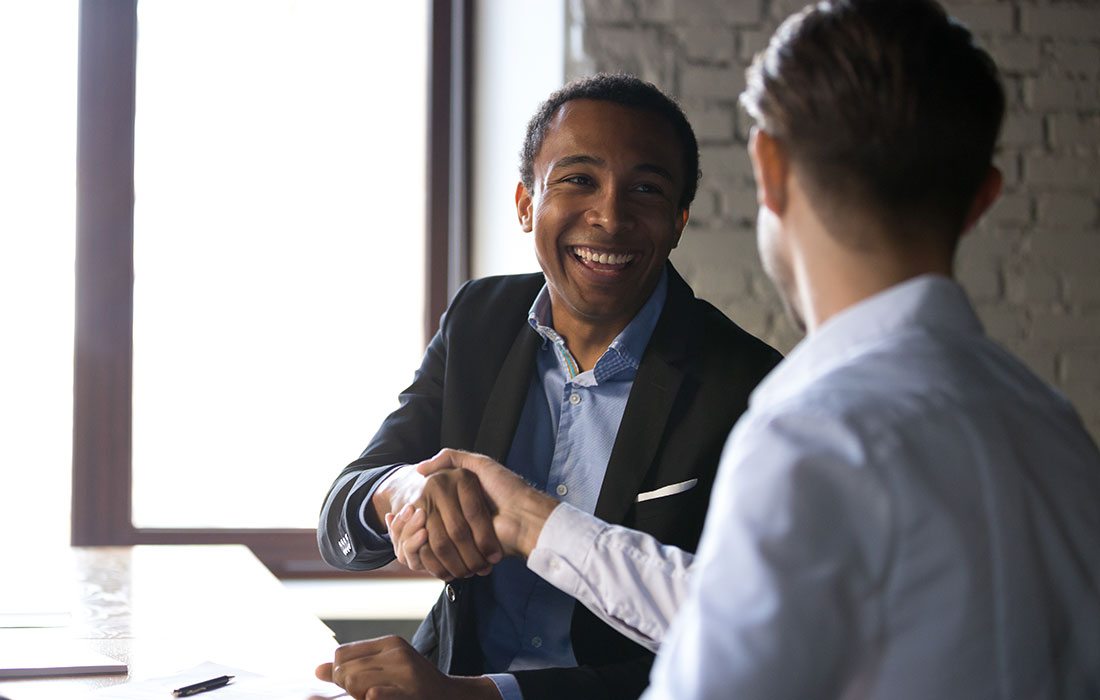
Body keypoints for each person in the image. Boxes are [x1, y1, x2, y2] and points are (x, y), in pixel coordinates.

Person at [387, 1, 1100, 698]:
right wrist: (531, 524)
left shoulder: (809, 430)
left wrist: (531, 528)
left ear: (769, 167)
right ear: (984, 197)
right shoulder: (1055, 429)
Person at [315, 73, 781, 700]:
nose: (610, 217)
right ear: (525, 203)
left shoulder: (748, 386)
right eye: (577, 180)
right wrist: (405, 488)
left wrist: (484, 695)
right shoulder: (481, 317)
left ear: (678, 221)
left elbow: (726, 642)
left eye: (645, 189)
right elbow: (341, 516)